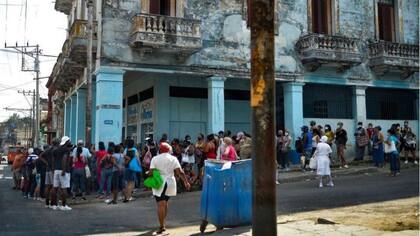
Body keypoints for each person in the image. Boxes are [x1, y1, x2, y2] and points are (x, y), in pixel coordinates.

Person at [149, 142, 190, 234]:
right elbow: (180, 172)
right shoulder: (173, 158)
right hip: (170, 182)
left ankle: (161, 226)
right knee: (165, 202)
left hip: (159, 182)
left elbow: (151, 172)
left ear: (160, 150)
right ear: (169, 150)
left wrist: (150, 174)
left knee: (160, 204)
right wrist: (186, 182)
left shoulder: (155, 158)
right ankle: (163, 223)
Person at [51, 136, 73, 211]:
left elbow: (53, 161)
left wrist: (53, 169)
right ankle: (64, 205)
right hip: (63, 170)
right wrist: (64, 170)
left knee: (55, 188)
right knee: (64, 188)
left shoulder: (56, 150)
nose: (70, 142)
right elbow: (64, 159)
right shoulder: (66, 150)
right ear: (67, 142)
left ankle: (54, 205)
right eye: (69, 141)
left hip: (56, 170)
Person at [39, 139, 59, 208]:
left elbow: (40, 156)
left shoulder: (48, 149)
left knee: (47, 186)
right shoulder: (56, 150)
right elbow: (53, 160)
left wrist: (46, 162)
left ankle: (47, 202)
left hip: (48, 169)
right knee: (54, 186)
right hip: (53, 170)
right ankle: (53, 203)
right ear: (57, 143)